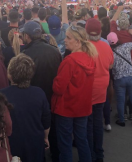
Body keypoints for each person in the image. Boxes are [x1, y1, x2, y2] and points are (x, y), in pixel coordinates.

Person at [52, 25, 97, 162]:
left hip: (66, 109)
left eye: (68, 37)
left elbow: (58, 88)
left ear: (77, 42)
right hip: (83, 107)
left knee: (65, 144)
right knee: (82, 139)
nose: (65, 40)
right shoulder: (90, 58)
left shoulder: (70, 61)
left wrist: (54, 80)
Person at [20, 20, 62, 162]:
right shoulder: (54, 50)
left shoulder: (25, 54)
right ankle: (56, 156)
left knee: (37, 130)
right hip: (53, 96)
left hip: (34, 99)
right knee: (53, 130)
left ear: (27, 36)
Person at [1, 54, 51, 162]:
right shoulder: (39, 93)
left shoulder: (1, 95)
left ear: (10, 74)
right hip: (35, 143)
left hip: (11, 144)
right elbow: (46, 120)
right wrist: (45, 137)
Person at [85, 18, 113, 162]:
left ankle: (90, 154)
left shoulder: (84, 47)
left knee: (88, 125)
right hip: (102, 90)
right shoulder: (106, 46)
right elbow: (110, 65)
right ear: (100, 31)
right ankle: (99, 153)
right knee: (97, 122)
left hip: (88, 91)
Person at [107, 31, 132, 127]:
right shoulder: (126, 46)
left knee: (121, 100)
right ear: (117, 39)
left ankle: (121, 120)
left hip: (119, 79)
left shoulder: (110, 53)